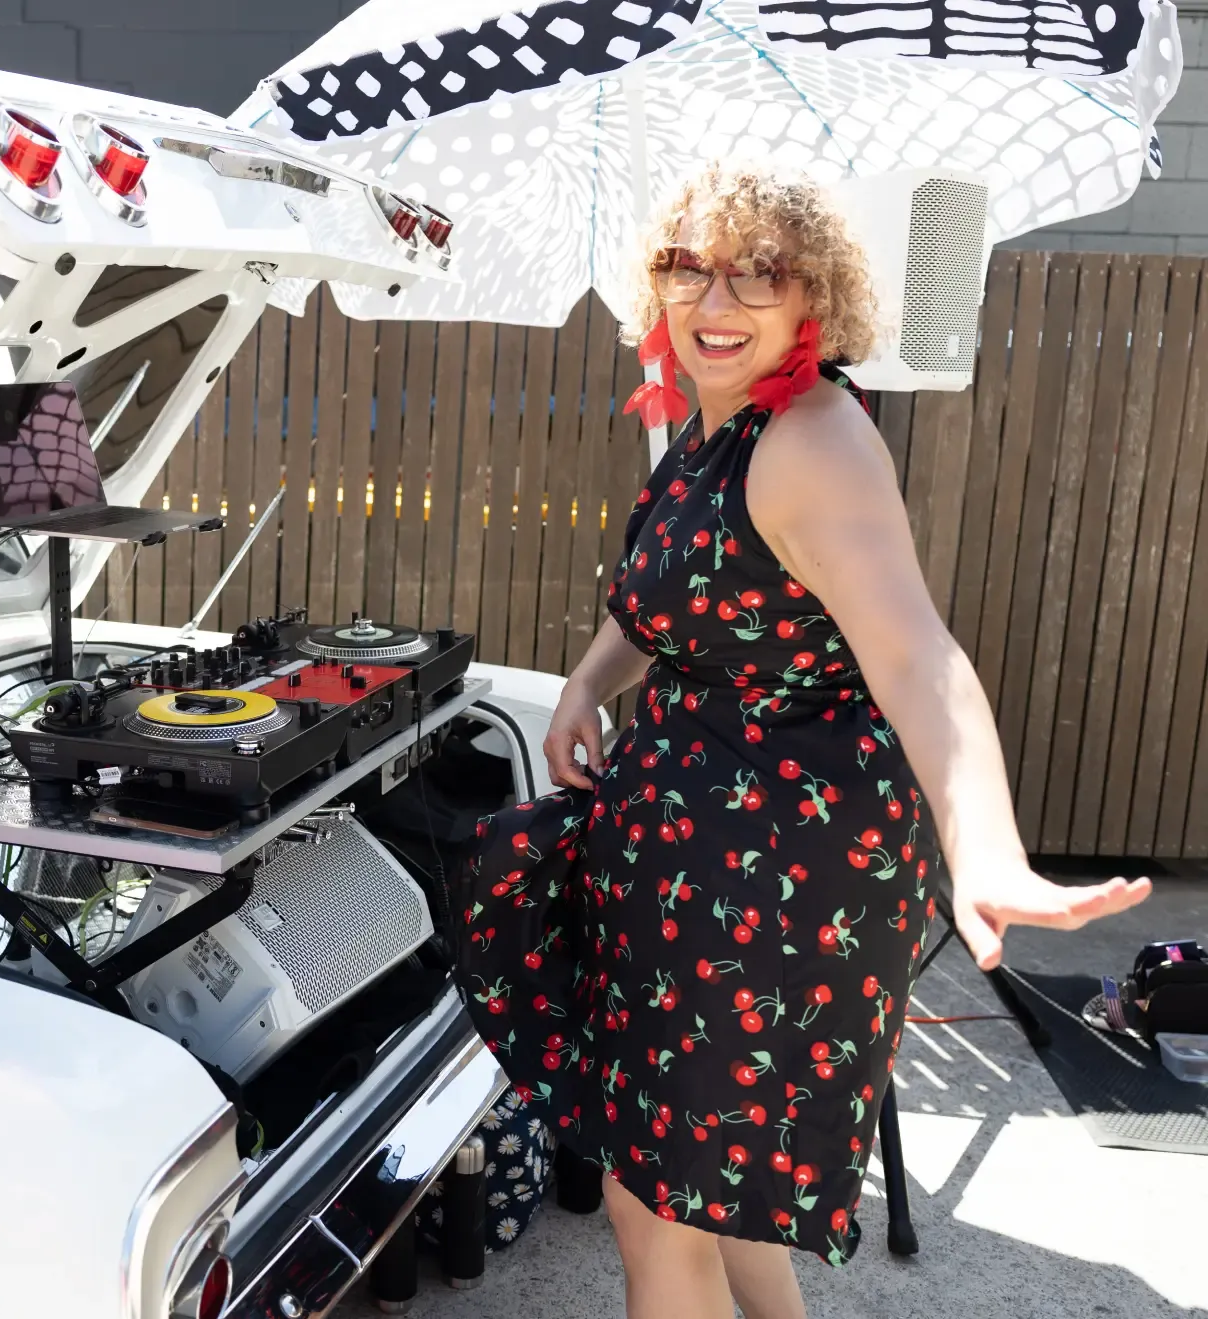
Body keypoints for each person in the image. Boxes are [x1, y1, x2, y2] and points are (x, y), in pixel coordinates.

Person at [457, 161, 1150, 1318]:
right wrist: (588, 677)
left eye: (755, 274)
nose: (713, 301)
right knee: (704, 1193)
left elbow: (917, 656)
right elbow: (677, 598)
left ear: (810, 297)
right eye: (685, 267)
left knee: (655, 1201)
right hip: (689, 855)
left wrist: (982, 845)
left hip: (770, 878)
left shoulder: (810, 443)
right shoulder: (717, 426)